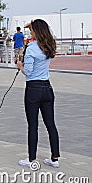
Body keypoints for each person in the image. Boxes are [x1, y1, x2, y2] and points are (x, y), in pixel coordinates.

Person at [17, 19, 60, 168]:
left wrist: (20, 66)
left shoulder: (32, 47)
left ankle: (31, 159)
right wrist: (33, 25)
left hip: (33, 89)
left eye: (31, 30)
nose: (30, 32)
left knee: (33, 125)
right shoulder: (49, 45)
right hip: (47, 88)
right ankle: (55, 158)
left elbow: (28, 71)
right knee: (50, 124)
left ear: (36, 32)